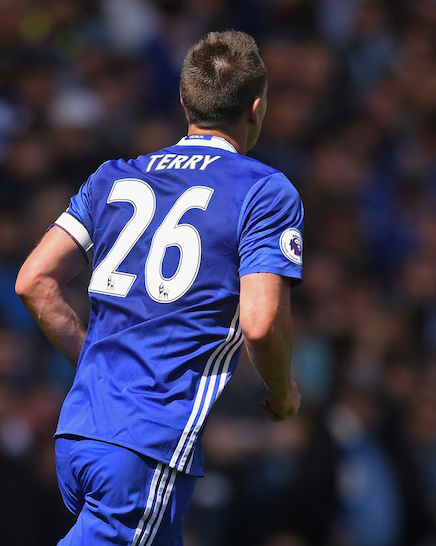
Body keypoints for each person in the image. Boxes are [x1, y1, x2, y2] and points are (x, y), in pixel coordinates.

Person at [15, 30, 303, 545]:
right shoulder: (264, 190)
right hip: (147, 440)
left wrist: (98, 364)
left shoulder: (112, 177)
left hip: (82, 429)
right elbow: (260, 324)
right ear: (256, 109)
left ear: (184, 102)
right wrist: (282, 393)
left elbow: (34, 281)